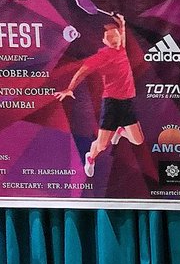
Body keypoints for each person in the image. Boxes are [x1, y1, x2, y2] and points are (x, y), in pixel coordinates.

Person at [54, 13, 145, 177]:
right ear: (104, 41)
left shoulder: (121, 48)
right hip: (112, 104)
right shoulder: (100, 57)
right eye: (110, 37)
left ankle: (119, 131)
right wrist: (69, 89)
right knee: (102, 145)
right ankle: (90, 157)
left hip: (127, 102)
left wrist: (122, 24)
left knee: (138, 140)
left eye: (116, 35)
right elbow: (82, 72)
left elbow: (122, 34)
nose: (114, 38)